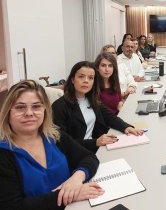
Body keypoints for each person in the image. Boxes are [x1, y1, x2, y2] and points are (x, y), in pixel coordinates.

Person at [0, 80, 104, 209]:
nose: (29, 113)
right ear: (8, 112)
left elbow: (89, 157)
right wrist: (69, 195)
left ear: (45, 110)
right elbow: (12, 206)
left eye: (36, 106)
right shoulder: (4, 154)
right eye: (20, 107)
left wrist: (77, 178)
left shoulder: (55, 136)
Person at [52, 61, 144, 153]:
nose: (86, 81)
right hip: (77, 154)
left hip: (95, 149)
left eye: (91, 78)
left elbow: (109, 117)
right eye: (81, 76)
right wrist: (95, 142)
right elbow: (63, 143)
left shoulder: (92, 99)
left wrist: (127, 127)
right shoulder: (59, 106)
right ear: (72, 79)